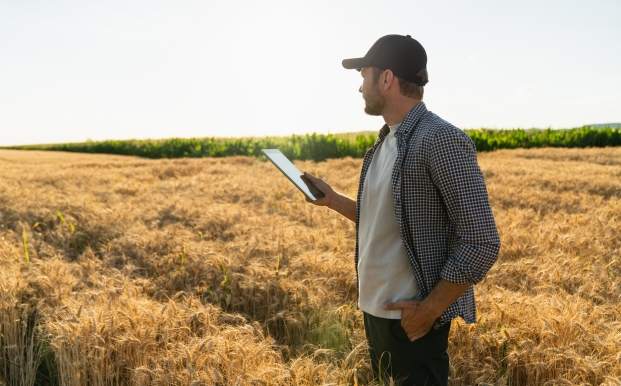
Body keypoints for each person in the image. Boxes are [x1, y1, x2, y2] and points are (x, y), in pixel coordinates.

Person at [303, 35, 501, 386]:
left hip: (412, 323)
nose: (359, 87)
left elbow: (482, 241)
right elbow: (386, 220)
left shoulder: (440, 139)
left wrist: (429, 311)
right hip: (375, 314)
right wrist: (332, 199)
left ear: (386, 78)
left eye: (363, 75)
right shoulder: (384, 142)